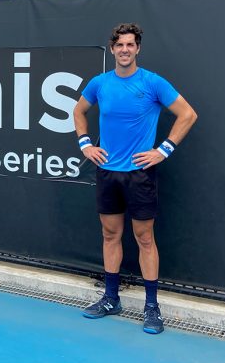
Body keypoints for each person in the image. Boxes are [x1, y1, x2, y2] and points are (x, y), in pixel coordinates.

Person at [72, 23, 197, 334]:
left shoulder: (152, 82)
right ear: (112, 49)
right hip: (107, 172)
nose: (125, 50)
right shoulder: (100, 83)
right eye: (119, 45)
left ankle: (151, 307)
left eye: (130, 45)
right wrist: (86, 144)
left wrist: (163, 150)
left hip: (140, 174)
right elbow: (78, 111)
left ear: (137, 48)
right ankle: (111, 298)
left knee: (144, 239)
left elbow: (188, 114)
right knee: (110, 236)